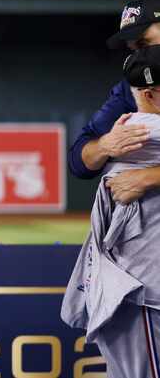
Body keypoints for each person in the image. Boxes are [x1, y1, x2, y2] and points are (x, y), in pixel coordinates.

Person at [62, 45, 160, 377]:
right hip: (144, 294)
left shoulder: (122, 131)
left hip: (132, 292)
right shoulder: (145, 131)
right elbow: (79, 158)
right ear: (150, 94)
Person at [68, 0, 160, 207]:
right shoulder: (132, 88)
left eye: (144, 44)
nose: (140, 55)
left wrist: (148, 177)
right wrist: (105, 145)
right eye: (133, 49)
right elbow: (78, 161)